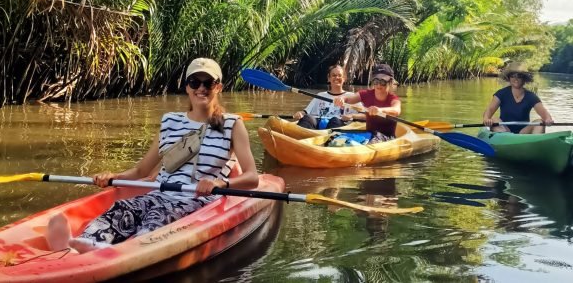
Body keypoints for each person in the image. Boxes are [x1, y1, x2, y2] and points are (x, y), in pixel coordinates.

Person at [46, 58, 259, 253]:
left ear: (218, 87)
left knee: (159, 217)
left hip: (196, 199)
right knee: (124, 208)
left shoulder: (232, 124)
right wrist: (112, 177)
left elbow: (252, 177)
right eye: (195, 82)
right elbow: (142, 170)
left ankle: (121, 254)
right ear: (187, 87)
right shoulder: (170, 121)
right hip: (160, 192)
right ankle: (82, 244)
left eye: (208, 83)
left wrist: (220, 183)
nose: (201, 88)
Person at [333, 63, 401, 143]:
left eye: (383, 81)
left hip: (387, 137)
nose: (379, 84)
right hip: (369, 134)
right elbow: (349, 99)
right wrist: (342, 99)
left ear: (390, 82)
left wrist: (380, 110)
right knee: (336, 137)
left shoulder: (393, 98)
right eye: (376, 81)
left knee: (374, 139)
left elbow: (396, 110)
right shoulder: (366, 94)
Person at [482, 62, 554, 134]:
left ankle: (533, 140)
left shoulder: (531, 96)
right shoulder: (501, 93)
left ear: (524, 79)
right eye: (513, 76)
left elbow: (544, 113)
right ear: (509, 78)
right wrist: (486, 119)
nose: (516, 79)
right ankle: (508, 137)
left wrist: (548, 119)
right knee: (494, 119)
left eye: (519, 76)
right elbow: (490, 110)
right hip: (504, 130)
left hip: (523, 133)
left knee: (539, 122)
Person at [293, 64, 361, 130]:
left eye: (339, 75)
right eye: (334, 75)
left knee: (335, 120)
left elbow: (365, 115)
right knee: (307, 118)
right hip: (318, 123)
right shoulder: (320, 95)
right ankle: (300, 134)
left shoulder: (352, 97)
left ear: (344, 79)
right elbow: (305, 112)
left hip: (338, 124)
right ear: (329, 78)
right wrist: (300, 113)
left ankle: (331, 136)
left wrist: (352, 116)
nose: (337, 77)